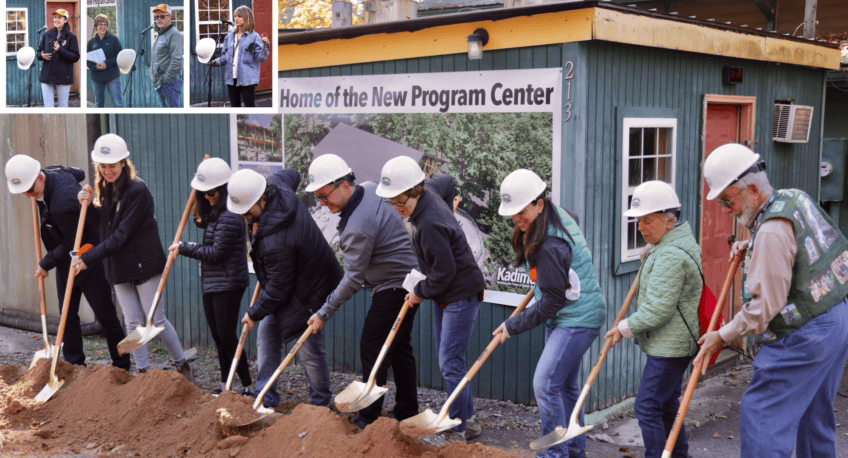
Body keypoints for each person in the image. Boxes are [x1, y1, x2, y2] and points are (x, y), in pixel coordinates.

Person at [695, 143, 848, 458]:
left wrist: (720, 336)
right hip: (836, 316)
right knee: (813, 413)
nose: (725, 209)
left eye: (727, 200)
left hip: (804, 333)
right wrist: (749, 243)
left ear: (751, 189)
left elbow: (763, 309)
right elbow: (798, 242)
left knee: (763, 414)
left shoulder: (771, 234)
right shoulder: (793, 197)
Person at [492, 169, 606, 458]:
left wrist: (512, 324)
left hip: (576, 319)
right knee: (565, 387)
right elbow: (574, 220)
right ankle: (575, 452)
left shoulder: (550, 245)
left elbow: (551, 302)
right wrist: (548, 277)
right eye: (512, 213)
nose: (516, 218)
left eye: (521, 211)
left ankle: (554, 454)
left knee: (544, 384)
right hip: (569, 314)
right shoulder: (558, 215)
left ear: (539, 204)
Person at [303, 154, 420, 429]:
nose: (322, 203)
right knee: (400, 348)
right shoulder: (369, 187)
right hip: (409, 282)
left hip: (394, 287)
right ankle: (407, 411)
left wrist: (323, 313)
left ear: (345, 185)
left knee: (372, 346)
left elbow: (353, 278)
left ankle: (369, 416)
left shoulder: (358, 226)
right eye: (318, 198)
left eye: (324, 195)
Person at [376, 156, 485, 445]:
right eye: (392, 203)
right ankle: (469, 420)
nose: (398, 208)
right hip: (448, 292)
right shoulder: (431, 192)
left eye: (401, 202)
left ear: (416, 190)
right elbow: (447, 180)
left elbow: (445, 271)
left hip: (459, 292)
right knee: (449, 359)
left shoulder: (429, 223)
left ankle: (458, 428)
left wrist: (420, 290)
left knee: (449, 361)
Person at [74, 133, 193, 382]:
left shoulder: (138, 190)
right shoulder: (105, 189)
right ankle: (143, 373)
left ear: (123, 163)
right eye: (103, 166)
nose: (108, 171)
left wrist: (88, 259)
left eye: (112, 165)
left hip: (145, 264)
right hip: (118, 266)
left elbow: (120, 235)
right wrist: (86, 204)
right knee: (132, 323)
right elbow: (104, 225)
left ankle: (182, 365)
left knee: (156, 322)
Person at [227, 168, 342, 409]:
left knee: (309, 348)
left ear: (262, 199)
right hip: (290, 279)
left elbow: (279, 289)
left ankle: (321, 405)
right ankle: (265, 398)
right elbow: (292, 173)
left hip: (311, 290)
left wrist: (253, 312)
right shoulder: (276, 185)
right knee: (267, 337)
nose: (245, 217)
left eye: (247, 212)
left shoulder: (277, 240)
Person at [4, 155, 130, 372]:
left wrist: (45, 263)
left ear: (40, 177)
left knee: (105, 314)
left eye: (30, 189)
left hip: (87, 257)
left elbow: (71, 241)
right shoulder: (55, 172)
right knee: (67, 314)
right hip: (66, 261)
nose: (28, 194)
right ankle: (75, 364)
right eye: (23, 191)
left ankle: (121, 365)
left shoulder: (62, 204)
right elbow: (78, 173)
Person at [604, 180, 701, 458]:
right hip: (676, 341)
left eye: (647, 221)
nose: (641, 227)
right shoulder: (676, 242)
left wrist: (624, 328)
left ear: (669, 221)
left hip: (670, 346)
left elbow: (659, 309)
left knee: (646, 406)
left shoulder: (671, 253)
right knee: (667, 406)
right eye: (639, 221)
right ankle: (678, 455)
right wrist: (652, 251)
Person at [169, 158, 252, 395]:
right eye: (204, 193)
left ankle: (247, 385)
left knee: (227, 336)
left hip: (228, 282)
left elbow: (216, 253)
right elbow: (202, 222)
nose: (208, 197)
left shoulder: (230, 216)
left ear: (225, 190)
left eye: (212, 193)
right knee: (218, 337)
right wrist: (199, 199)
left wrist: (184, 247)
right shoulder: (217, 212)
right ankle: (226, 385)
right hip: (214, 283)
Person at [209, 6, 270, 107]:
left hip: (248, 79)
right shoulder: (229, 36)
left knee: (249, 107)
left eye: (240, 16)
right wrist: (215, 62)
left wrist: (265, 46)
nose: (236, 19)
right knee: (234, 107)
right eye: (235, 16)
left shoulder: (254, 37)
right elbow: (225, 58)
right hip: (231, 79)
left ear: (247, 17)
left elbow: (261, 58)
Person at [37, 9, 79, 108]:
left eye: (59, 17)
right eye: (55, 17)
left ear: (65, 20)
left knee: (63, 106)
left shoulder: (71, 37)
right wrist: (41, 56)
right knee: (48, 107)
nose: (56, 19)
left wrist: (60, 50)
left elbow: (75, 57)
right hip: (47, 76)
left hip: (63, 77)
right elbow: (38, 51)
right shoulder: (47, 35)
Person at [149, 4, 183, 108]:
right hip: (159, 83)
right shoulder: (160, 34)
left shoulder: (174, 34)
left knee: (173, 116)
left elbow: (177, 60)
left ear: (170, 17)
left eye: (162, 16)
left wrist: (166, 79)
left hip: (169, 83)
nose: (159, 19)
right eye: (156, 17)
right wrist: (152, 73)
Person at [87, 14, 123, 108]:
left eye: (105, 24)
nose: (103, 26)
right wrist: (95, 67)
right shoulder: (91, 42)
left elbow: (120, 57)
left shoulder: (114, 39)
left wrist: (106, 64)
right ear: (95, 26)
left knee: (118, 104)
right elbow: (87, 61)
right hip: (97, 79)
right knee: (99, 105)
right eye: (100, 24)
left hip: (112, 77)